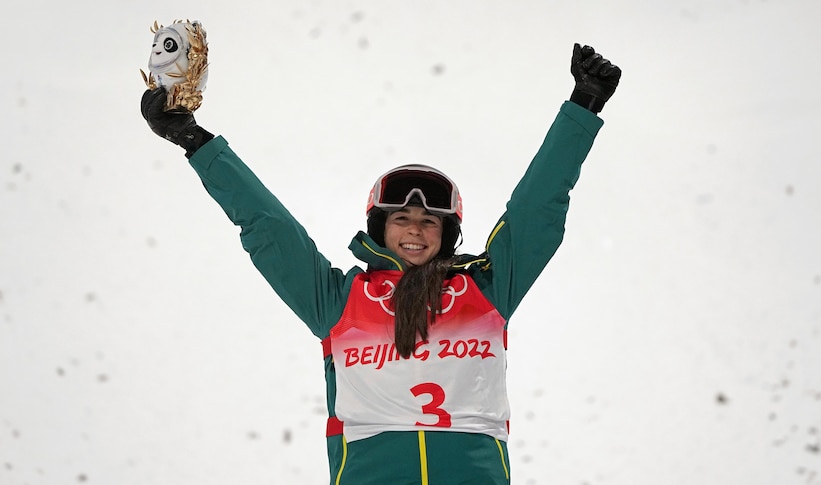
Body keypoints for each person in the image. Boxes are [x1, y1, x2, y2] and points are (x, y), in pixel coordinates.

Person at [141, 42, 621, 485]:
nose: (415, 230)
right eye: (402, 219)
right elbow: (267, 227)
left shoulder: (487, 290)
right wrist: (196, 142)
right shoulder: (339, 301)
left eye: (430, 222)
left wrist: (582, 109)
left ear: (449, 235)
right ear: (380, 230)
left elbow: (537, 211)